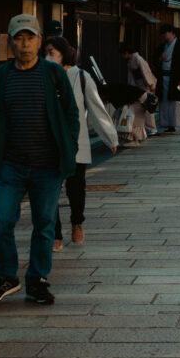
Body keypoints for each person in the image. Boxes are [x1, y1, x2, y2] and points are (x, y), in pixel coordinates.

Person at [0, 14, 79, 305]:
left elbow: (71, 115)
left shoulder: (53, 74)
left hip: (48, 166)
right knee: (1, 219)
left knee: (44, 223)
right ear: (10, 42)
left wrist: (68, 149)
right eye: (18, 38)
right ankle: (7, 276)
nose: (24, 44)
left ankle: (37, 280)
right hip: (11, 164)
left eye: (30, 38)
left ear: (40, 41)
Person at [43, 37, 118, 251]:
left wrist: (110, 137)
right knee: (49, 191)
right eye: (46, 53)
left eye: (52, 53)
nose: (47, 57)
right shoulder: (43, 77)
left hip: (77, 144)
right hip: (49, 145)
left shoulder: (81, 77)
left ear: (64, 54)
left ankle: (77, 222)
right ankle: (55, 234)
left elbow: (96, 108)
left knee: (75, 190)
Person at [153, 24, 180, 134]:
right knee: (165, 101)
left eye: (166, 33)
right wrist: (161, 58)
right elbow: (154, 61)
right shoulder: (162, 47)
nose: (164, 35)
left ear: (172, 33)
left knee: (177, 101)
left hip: (177, 79)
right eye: (163, 33)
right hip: (163, 78)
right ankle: (169, 125)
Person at [119, 43, 156, 144]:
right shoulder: (131, 60)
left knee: (147, 105)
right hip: (138, 84)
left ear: (126, 53)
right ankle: (146, 128)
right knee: (140, 107)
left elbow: (146, 71)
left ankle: (152, 128)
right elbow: (131, 76)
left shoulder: (137, 58)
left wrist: (150, 83)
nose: (123, 57)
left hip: (144, 84)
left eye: (123, 54)